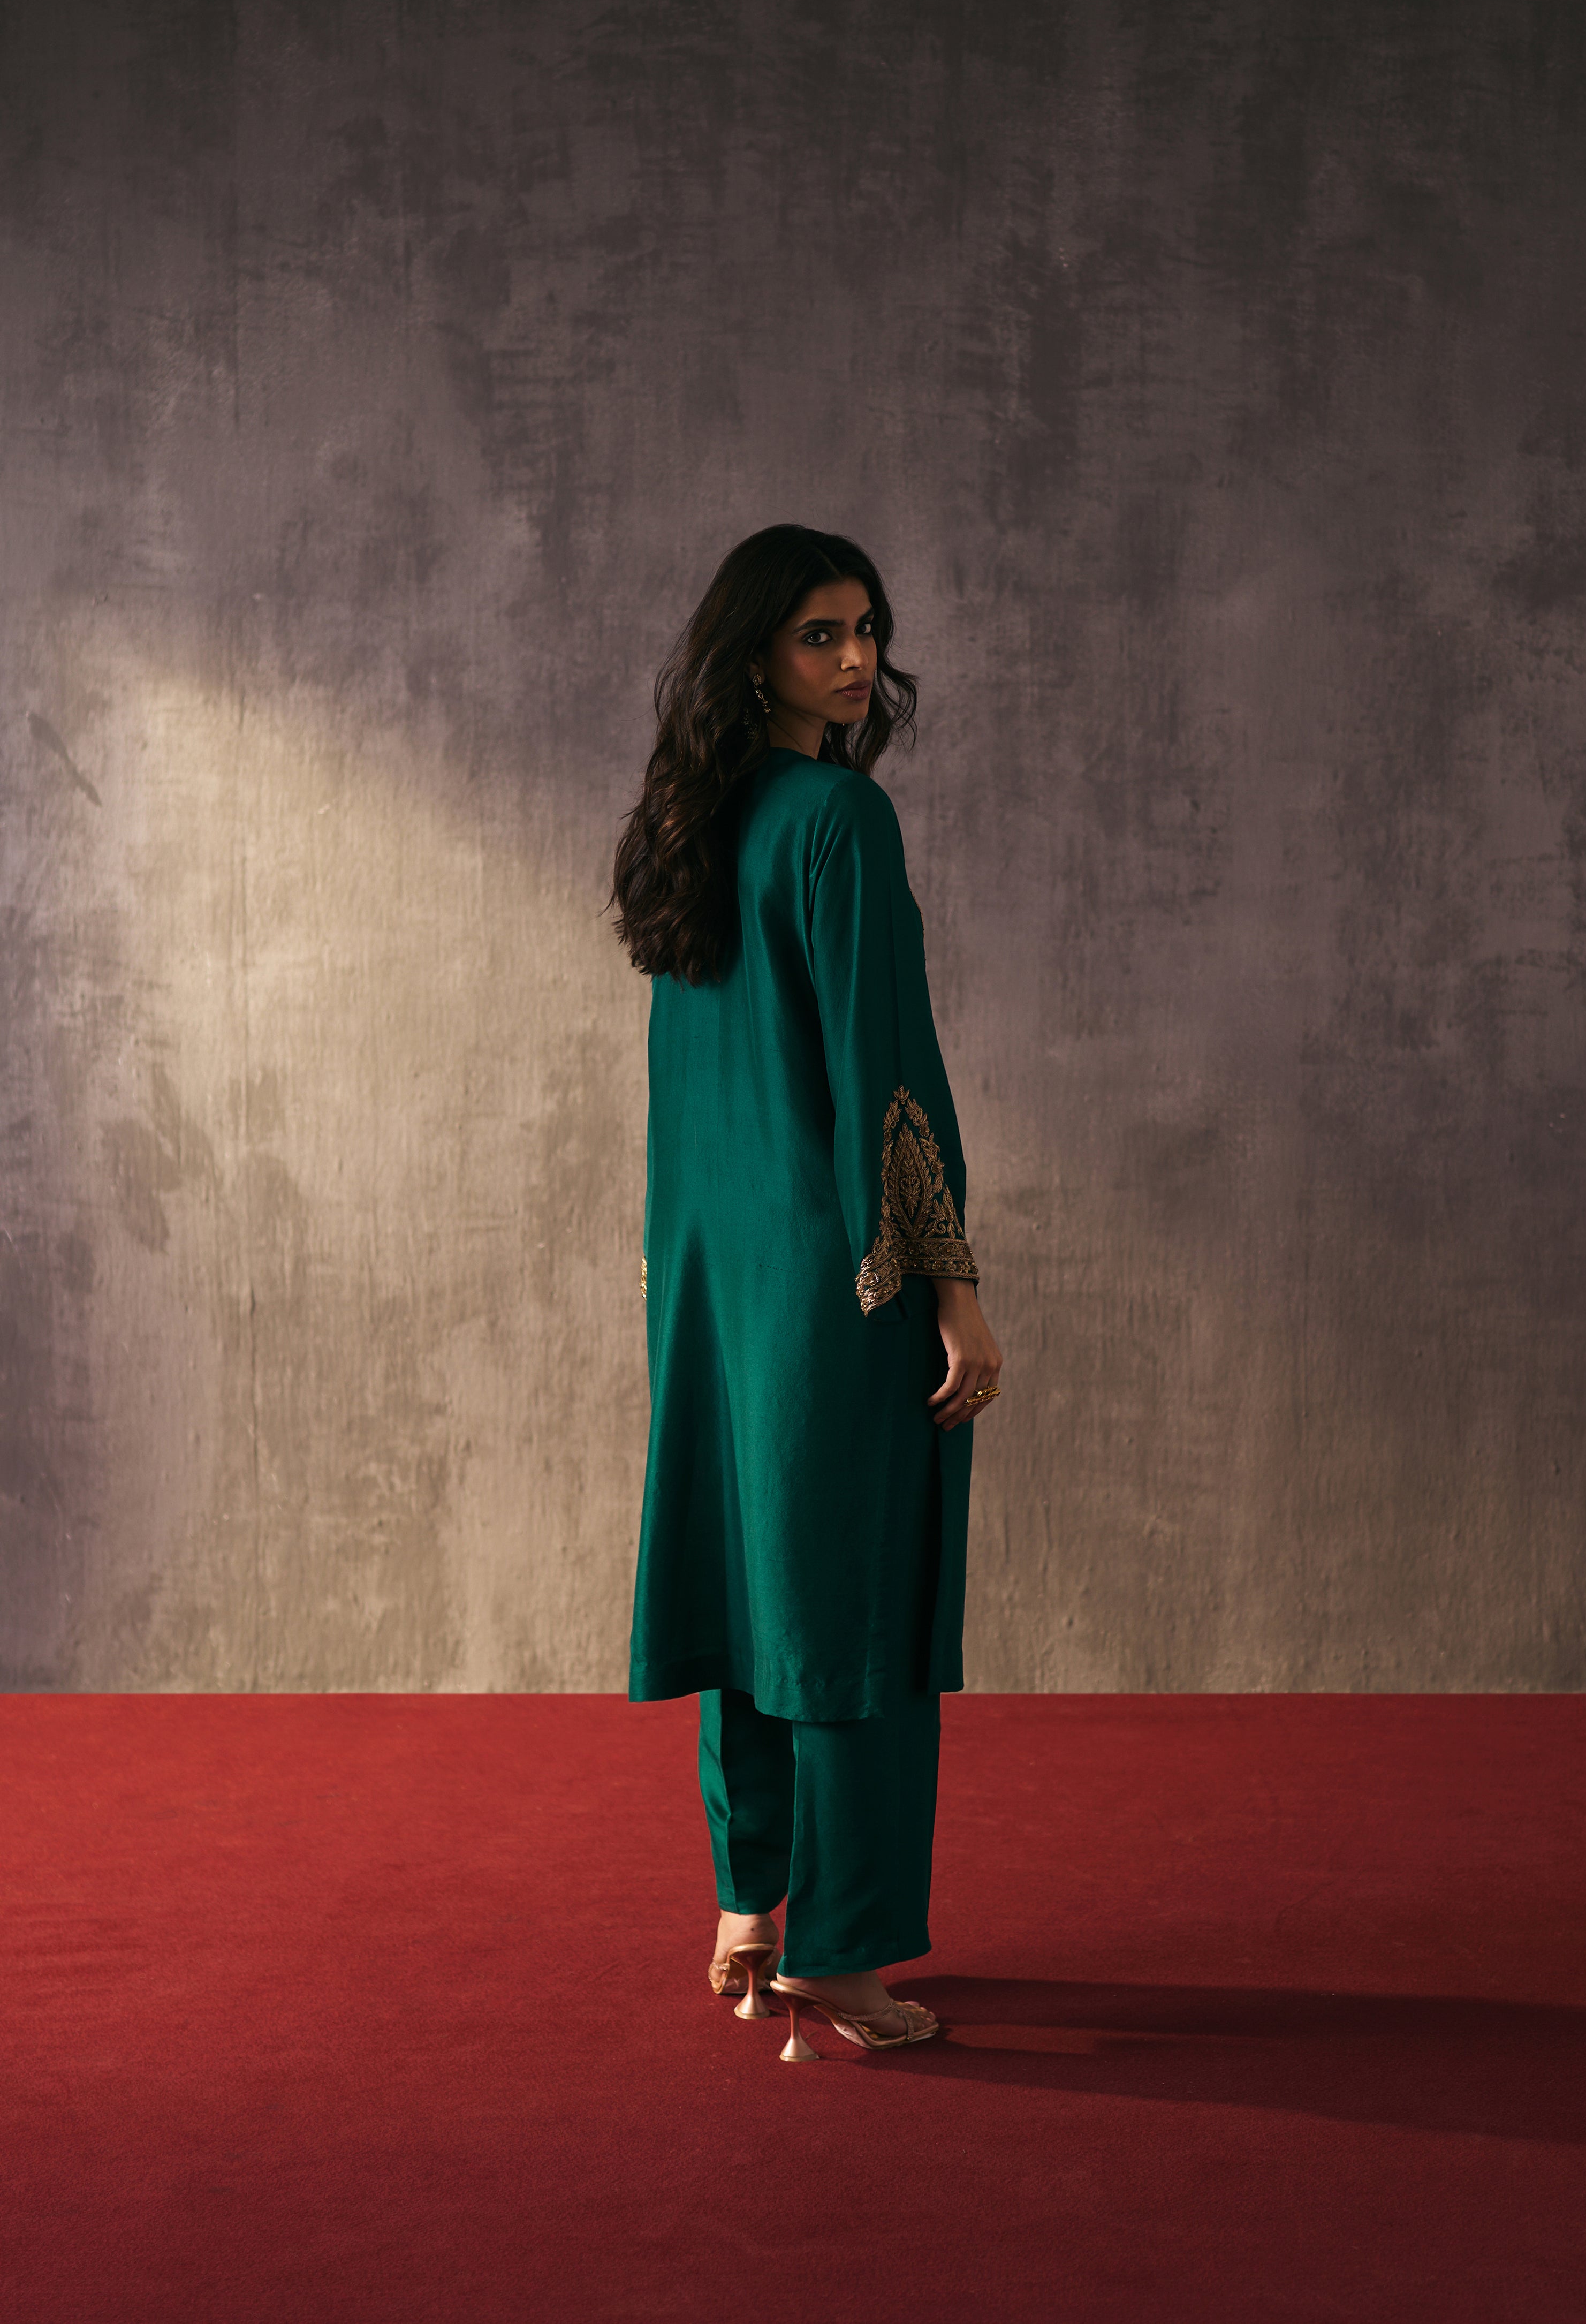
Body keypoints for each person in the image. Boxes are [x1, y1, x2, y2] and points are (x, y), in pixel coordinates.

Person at [610, 524, 1002, 2057]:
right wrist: (948, 1285)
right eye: (819, 635)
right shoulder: (839, 817)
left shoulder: (691, 823)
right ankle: (840, 1955)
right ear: (754, 655)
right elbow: (880, 1073)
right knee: (850, 1603)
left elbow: (689, 1091)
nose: (854, 661)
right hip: (838, 1281)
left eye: (865, 631)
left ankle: (750, 1905)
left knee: (754, 1593)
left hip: (714, 1290)